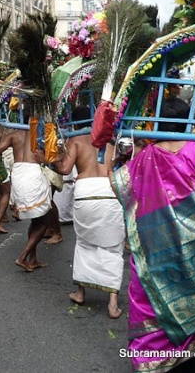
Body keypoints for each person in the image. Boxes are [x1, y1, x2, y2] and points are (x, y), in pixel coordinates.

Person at [111, 97, 195, 372]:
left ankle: (154, 361)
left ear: (157, 121)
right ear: (188, 120)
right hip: (192, 256)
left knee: (152, 305)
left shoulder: (144, 156)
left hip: (152, 251)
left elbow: (119, 186)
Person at [49, 107, 124, 319]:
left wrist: (50, 156)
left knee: (84, 243)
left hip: (85, 192)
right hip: (109, 190)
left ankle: (81, 293)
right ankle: (112, 303)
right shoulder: (113, 141)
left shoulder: (77, 141)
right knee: (114, 246)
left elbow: (64, 169)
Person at [0, 122, 55, 272]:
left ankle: (32, 259)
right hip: (33, 174)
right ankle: (23, 257)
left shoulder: (14, 135)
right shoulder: (42, 132)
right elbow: (52, 156)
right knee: (44, 221)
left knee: (36, 220)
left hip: (18, 173)